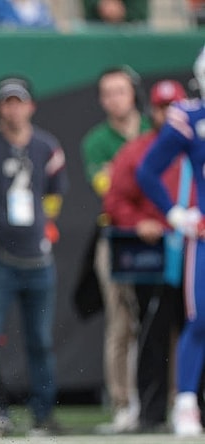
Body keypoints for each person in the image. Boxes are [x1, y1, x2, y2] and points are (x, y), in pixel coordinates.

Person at [0, 75, 68, 436]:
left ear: (31, 105)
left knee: (40, 339)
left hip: (37, 259)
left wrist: (41, 226)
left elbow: (55, 195)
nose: (13, 108)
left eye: (19, 101)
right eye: (7, 101)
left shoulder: (47, 147)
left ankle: (42, 412)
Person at [103, 79, 189, 433]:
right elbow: (115, 199)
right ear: (152, 110)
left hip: (193, 251)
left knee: (194, 329)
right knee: (152, 331)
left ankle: (191, 407)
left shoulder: (194, 148)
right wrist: (140, 223)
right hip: (154, 253)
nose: (169, 115)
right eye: (162, 108)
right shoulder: (139, 150)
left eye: (175, 107)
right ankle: (150, 412)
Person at [137, 47, 205, 437]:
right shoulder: (190, 118)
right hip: (203, 235)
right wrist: (178, 214)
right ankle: (186, 404)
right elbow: (149, 171)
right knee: (199, 321)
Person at [80, 65, 151, 434]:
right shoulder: (96, 140)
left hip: (159, 235)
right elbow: (110, 191)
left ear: (134, 93)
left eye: (120, 91)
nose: (114, 100)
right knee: (120, 325)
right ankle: (124, 404)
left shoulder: (156, 129)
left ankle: (162, 400)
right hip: (118, 237)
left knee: (160, 321)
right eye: (107, 93)